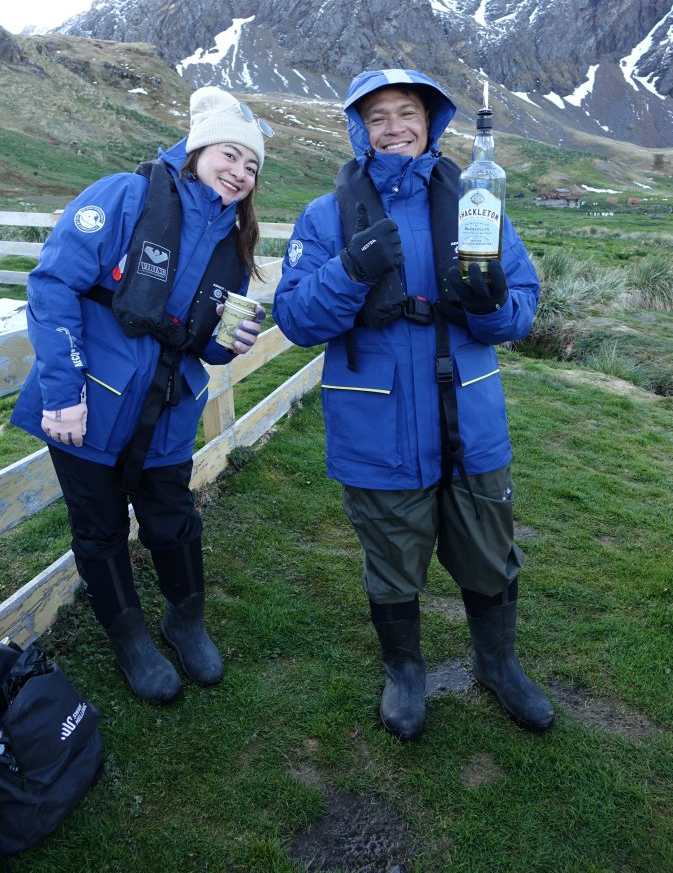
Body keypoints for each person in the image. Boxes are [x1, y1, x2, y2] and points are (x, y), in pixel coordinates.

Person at [272, 68, 555, 741]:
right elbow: (296, 318)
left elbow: (521, 305)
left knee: (489, 553)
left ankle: (498, 664)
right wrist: (350, 269)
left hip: (471, 424)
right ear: (359, 130)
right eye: (377, 117)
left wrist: (490, 305)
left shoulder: (476, 204)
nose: (393, 126)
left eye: (406, 112)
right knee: (392, 562)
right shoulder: (325, 216)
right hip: (376, 429)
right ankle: (404, 672)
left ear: (431, 122)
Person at [11, 87, 272, 705]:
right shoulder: (125, 197)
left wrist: (227, 345)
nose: (239, 172)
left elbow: (203, 345)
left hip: (168, 413)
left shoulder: (233, 242)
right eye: (230, 154)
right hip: (87, 405)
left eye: (251, 165)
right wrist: (63, 392)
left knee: (172, 520)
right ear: (198, 149)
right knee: (98, 528)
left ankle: (185, 620)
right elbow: (52, 286)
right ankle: (129, 639)